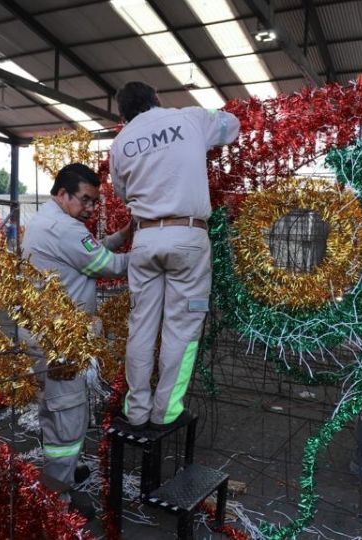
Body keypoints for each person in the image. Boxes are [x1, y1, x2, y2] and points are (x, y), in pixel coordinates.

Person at [109, 81, 240, 429]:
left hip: (146, 239)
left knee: (141, 326)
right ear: (157, 98)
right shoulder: (190, 119)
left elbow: (123, 193)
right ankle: (166, 410)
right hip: (188, 236)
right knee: (181, 327)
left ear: (123, 115)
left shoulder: (121, 143)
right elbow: (232, 126)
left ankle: (136, 410)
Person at [23, 163, 129, 489]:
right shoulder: (66, 229)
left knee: (54, 411)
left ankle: (62, 473)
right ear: (63, 194)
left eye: (94, 201)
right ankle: (59, 498)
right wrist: (151, 254)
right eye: (85, 200)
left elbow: (89, 253)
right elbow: (105, 264)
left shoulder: (47, 221)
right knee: (68, 416)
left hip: (46, 335)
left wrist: (126, 234)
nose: (91, 208)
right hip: (61, 341)